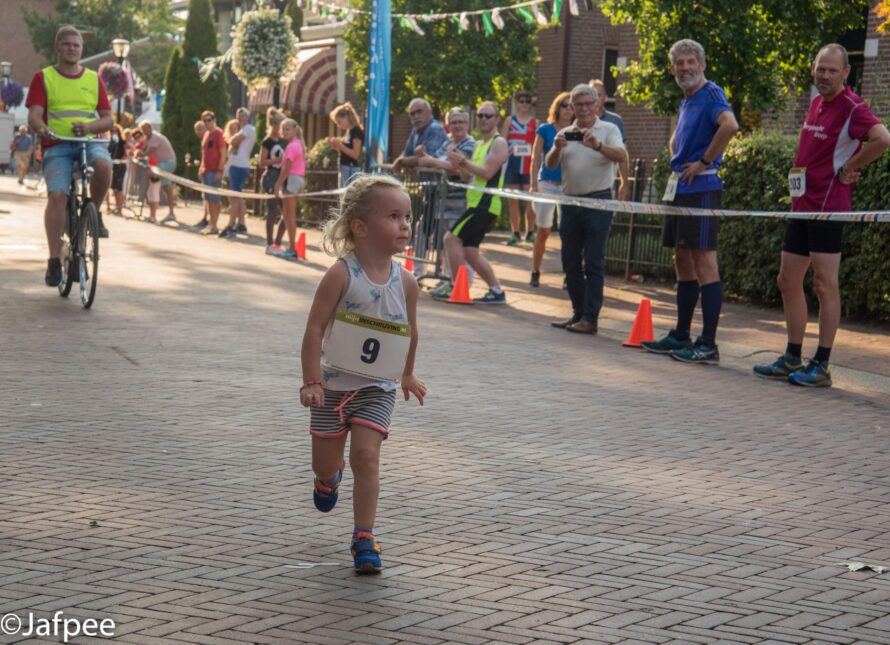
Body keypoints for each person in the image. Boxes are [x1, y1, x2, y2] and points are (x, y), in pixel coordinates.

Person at [300, 173, 426, 573]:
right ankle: (326, 479)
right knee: (326, 462)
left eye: (407, 216)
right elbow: (315, 329)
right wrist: (311, 381)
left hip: (377, 386)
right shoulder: (341, 274)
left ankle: (364, 536)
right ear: (360, 227)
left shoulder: (406, 282)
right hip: (332, 387)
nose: (405, 225)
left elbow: (410, 331)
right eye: (394, 216)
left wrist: (406, 375)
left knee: (367, 456)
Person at [753, 44, 890, 387]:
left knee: (824, 283)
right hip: (802, 205)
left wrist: (850, 167)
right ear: (813, 69)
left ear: (846, 73)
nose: (825, 75)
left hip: (828, 207)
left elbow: (881, 139)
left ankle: (822, 364)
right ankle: (792, 356)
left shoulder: (852, 107)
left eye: (832, 70)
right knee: (787, 280)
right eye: (820, 69)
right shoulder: (816, 102)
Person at [640, 39, 738, 363]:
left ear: (702, 64)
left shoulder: (711, 94)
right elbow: (677, 140)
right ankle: (681, 334)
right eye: (679, 63)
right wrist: (677, 160)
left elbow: (730, 125)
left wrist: (706, 161)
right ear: (672, 69)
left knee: (704, 262)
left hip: (703, 188)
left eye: (690, 62)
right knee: (682, 260)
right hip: (681, 188)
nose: (685, 68)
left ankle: (708, 343)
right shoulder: (686, 99)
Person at [25, 25, 114, 286]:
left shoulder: (93, 78)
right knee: (58, 196)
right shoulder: (44, 77)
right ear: (58, 47)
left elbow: (108, 119)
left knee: (104, 166)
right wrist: (43, 128)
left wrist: (90, 127)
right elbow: (34, 115)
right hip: (58, 144)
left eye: (76, 44)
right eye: (67, 44)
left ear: (82, 49)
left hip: (87, 141)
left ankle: (92, 216)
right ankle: (54, 260)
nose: (72, 48)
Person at [546, 84, 625, 335]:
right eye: (578, 104)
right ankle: (578, 313)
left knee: (593, 261)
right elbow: (549, 165)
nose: (583, 109)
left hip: (598, 201)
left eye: (588, 103)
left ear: (597, 104)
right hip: (570, 202)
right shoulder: (567, 132)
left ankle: (591, 318)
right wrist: (556, 148)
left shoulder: (609, 129)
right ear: (571, 107)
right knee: (569, 262)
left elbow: (621, 155)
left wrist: (598, 145)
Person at [434, 101, 510, 305]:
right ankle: (496, 291)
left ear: (496, 119)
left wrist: (464, 162)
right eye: (481, 115)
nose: (483, 119)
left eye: (488, 116)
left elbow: (487, 172)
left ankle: (457, 285)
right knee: (470, 251)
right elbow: (469, 177)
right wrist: (459, 163)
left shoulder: (498, 142)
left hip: (486, 204)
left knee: (451, 239)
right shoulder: (479, 144)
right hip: (475, 203)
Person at [416, 108, 476, 287]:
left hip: (460, 203)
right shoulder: (447, 143)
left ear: (467, 124)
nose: (457, 126)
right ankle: (448, 280)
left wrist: (433, 162)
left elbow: (459, 169)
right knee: (445, 245)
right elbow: (437, 163)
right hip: (442, 202)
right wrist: (424, 156)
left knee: (458, 244)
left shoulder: (470, 144)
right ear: (448, 125)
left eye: (461, 122)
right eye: (454, 122)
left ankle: (462, 284)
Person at [529, 91, 572, 287]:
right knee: (543, 230)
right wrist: (534, 184)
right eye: (565, 105)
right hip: (546, 183)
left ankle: (569, 274)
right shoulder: (545, 129)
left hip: (567, 186)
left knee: (568, 232)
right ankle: (535, 270)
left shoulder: (576, 130)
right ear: (557, 107)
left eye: (572, 106)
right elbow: (536, 157)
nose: (568, 109)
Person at [501, 90, 537, 245]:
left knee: (530, 200)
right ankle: (515, 233)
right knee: (513, 201)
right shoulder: (510, 121)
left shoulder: (535, 123)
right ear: (516, 103)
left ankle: (530, 232)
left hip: (528, 166)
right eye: (521, 101)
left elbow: (538, 145)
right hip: (513, 165)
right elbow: (502, 141)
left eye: (527, 101)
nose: (524, 104)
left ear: (530, 104)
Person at [589, 79, 629, 201]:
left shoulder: (615, 121)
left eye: (599, 95)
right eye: (592, 95)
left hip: (605, 180)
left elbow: (622, 153)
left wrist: (625, 183)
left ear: (605, 98)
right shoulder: (577, 118)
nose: (595, 98)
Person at [272, 118, 306, 261]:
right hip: (297, 179)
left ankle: (292, 249)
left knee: (289, 216)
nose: (285, 131)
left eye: (287, 129)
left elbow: (286, 168)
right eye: (283, 129)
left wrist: (277, 185)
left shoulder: (292, 146)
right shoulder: (298, 144)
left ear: (294, 130)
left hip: (292, 179)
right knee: (288, 216)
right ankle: (291, 247)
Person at [220, 107, 255, 238]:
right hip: (236, 166)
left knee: (234, 197)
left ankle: (231, 224)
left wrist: (233, 138)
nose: (241, 118)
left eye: (243, 115)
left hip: (239, 166)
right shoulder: (242, 130)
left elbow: (233, 141)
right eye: (238, 116)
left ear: (248, 117)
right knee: (238, 197)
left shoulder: (248, 129)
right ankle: (241, 223)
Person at [391, 98, 447, 173]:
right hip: (421, 180)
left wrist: (401, 161)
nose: (416, 116)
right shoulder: (416, 129)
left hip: (434, 181)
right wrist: (401, 160)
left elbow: (427, 160)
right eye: (412, 114)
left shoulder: (435, 128)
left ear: (430, 113)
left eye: (419, 112)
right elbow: (407, 153)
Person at [138, 120, 177, 225]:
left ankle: (146, 202)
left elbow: (147, 152)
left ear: (151, 128)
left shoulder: (155, 137)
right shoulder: (147, 139)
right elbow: (143, 150)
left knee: (151, 176)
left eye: (147, 128)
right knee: (166, 187)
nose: (145, 130)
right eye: (143, 129)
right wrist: (138, 152)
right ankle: (170, 213)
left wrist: (139, 154)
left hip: (168, 163)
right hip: (162, 164)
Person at [259, 107, 285, 255]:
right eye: (279, 125)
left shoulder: (282, 141)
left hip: (281, 177)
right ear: (274, 125)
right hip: (270, 177)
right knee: (273, 210)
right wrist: (276, 160)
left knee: (285, 211)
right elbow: (262, 161)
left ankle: (277, 243)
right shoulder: (267, 141)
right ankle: (269, 244)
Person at [198, 111, 226, 235]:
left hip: (214, 171)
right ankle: (211, 224)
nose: (207, 122)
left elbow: (223, 153)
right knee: (208, 200)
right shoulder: (206, 135)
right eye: (205, 120)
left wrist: (220, 170)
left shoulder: (219, 134)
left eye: (209, 120)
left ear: (214, 120)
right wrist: (200, 168)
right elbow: (203, 154)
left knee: (215, 200)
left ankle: (214, 225)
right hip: (206, 171)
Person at [327, 102, 364, 187]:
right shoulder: (349, 131)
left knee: (346, 195)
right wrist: (335, 145)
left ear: (346, 117)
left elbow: (355, 154)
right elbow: (345, 151)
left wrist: (339, 145)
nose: (339, 125)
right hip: (345, 168)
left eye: (339, 122)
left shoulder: (356, 130)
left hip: (350, 169)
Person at [192, 119, 210, 228]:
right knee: (205, 196)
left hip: (210, 171)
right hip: (205, 170)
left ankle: (209, 219)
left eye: (200, 129)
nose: (198, 131)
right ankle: (205, 217)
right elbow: (204, 157)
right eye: (196, 130)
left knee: (210, 197)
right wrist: (200, 169)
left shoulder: (209, 137)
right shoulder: (204, 140)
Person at [107, 124, 128, 214]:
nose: (114, 132)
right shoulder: (110, 142)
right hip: (112, 165)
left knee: (119, 188)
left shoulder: (123, 142)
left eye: (116, 131)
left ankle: (119, 208)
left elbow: (126, 154)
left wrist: (121, 161)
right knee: (112, 187)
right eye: (112, 131)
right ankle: (114, 207)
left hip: (120, 166)